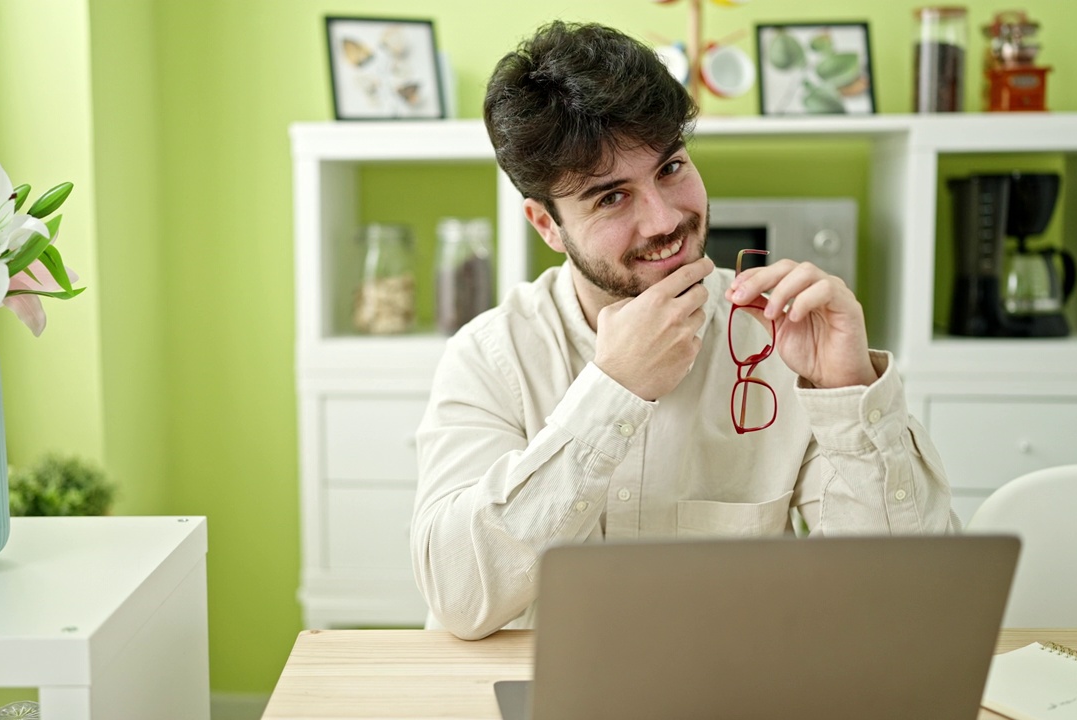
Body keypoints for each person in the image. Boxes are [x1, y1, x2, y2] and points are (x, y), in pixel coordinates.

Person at [410, 20, 958, 641]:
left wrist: (847, 393)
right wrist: (613, 391)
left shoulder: (780, 337)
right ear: (547, 225)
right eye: (611, 198)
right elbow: (459, 598)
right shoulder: (491, 355)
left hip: (736, 690)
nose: (666, 219)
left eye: (670, 167)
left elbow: (906, 598)